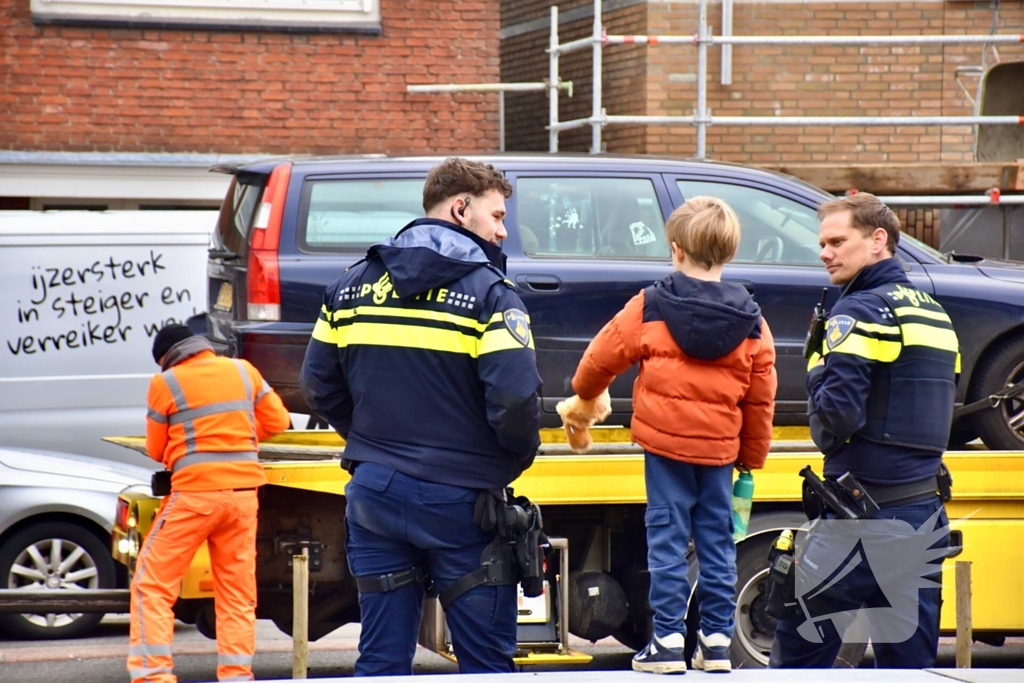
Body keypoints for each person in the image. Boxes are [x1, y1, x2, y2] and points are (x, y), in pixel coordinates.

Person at [299, 157, 542, 676]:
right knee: (486, 665)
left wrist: (369, 442)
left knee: (382, 662)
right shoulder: (491, 297)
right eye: (497, 217)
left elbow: (317, 385)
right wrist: (505, 463)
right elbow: (517, 402)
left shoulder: (350, 286)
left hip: (375, 495)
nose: (502, 232)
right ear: (460, 208)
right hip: (464, 502)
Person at [560, 197, 778, 674]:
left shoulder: (651, 305)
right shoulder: (753, 321)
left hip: (664, 448)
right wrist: (751, 456)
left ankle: (667, 643)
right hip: (719, 453)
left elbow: (601, 357)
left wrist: (583, 396)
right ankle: (717, 643)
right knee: (718, 544)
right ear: (730, 253)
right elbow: (760, 398)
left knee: (667, 543)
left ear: (676, 250)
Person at [769, 193, 960, 669]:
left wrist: (815, 366)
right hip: (923, 516)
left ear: (878, 241)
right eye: (822, 243)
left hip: (859, 519)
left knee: (798, 657)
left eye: (837, 241)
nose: (824, 252)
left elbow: (836, 421)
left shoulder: (858, 312)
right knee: (909, 668)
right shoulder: (935, 313)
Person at [127, 324, 290, 683]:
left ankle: (153, 676)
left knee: (151, 585)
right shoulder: (243, 370)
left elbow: (156, 450)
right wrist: (236, 436)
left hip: (194, 497)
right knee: (236, 592)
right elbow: (278, 420)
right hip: (244, 497)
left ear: (167, 359)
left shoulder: (165, 383)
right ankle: (236, 675)